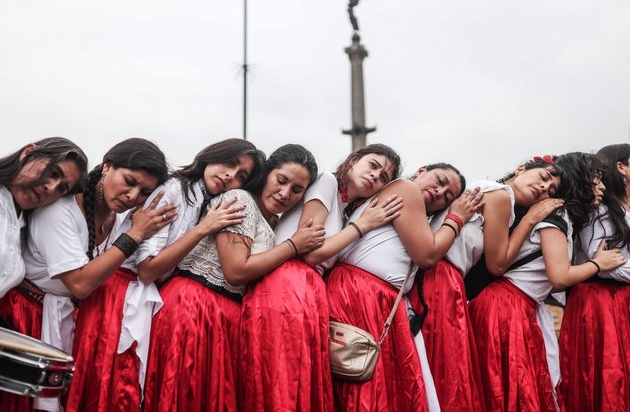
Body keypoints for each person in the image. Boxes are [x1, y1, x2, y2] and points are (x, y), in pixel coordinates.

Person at [65, 139, 265, 411]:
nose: (231, 175)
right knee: (112, 389)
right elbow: (147, 268)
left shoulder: (204, 199)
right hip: (120, 295)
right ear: (209, 156)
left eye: (242, 175)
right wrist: (203, 229)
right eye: (229, 163)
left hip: (141, 297)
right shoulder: (172, 191)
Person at [0, 138, 175, 412]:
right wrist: (134, 236)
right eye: (129, 181)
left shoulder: (115, 219)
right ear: (106, 167)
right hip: (24, 317)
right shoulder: (59, 210)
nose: (132, 196)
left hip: (63, 318)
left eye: (142, 192)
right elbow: (80, 284)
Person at [143, 144, 325, 412]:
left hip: (224, 317)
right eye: (281, 180)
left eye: (296, 190)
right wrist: (293, 246)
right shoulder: (240, 199)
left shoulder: (271, 222)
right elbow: (236, 271)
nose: (285, 193)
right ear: (265, 174)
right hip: (195, 307)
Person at [239, 144, 403, 411]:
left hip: (307, 291)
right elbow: (310, 253)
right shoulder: (327, 182)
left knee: (300, 382)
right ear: (352, 161)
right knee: (283, 381)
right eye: (373, 165)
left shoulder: (345, 207)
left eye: (384, 177)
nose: (376, 176)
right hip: (289, 283)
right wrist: (363, 226)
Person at [469, 152, 627, 411]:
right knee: (515, 392)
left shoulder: (561, 215)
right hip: (507, 307)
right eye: (595, 180)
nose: (602, 187)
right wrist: (598, 264)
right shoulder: (558, 216)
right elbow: (559, 278)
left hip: (514, 305)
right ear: (580, 181)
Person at [409, 159, 565, 411]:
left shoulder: (494, 195)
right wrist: (530, 221)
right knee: (447, 371)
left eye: (551, 190)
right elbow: (498, 265)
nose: (544, 188)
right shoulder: (501, 195)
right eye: (544, 177)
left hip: (441, 280)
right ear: (521, 169)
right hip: (442, 281)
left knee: (439, 369)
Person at [327, 160, 482, 411]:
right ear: (421, 171)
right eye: (440, 182)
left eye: (447, 196)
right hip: (364, 294)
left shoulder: (413, 208)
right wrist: (456, 217)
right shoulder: (406, 189)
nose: (439, 193)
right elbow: (427, 256)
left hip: (373, 296)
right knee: (367, 386)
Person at [559, 144, 630, 411]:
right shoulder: (600, 210)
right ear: (620, 168)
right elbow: (601, 260)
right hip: (599, 299)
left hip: (621, 298)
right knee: (605, 374)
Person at [0, 137, 87, 304]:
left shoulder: (22, 223)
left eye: (61, 189)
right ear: (28, 153)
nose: (51, 188)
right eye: (53, 172)